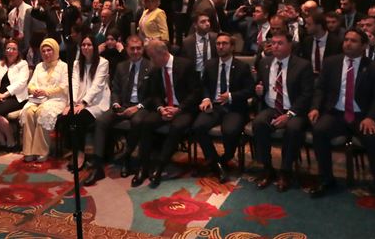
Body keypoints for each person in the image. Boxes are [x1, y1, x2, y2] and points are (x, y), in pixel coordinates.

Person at [307, 30, 375, 208]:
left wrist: (371, 117)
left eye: (353, 41)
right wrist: (315, 107)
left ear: (363, 45)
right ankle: (327, 179)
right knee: (319, 131)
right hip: (336, 113)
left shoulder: (374, 67)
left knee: (374, 140)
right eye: (346, 39)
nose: (347, 43)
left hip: (361, 116)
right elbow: (320, 88)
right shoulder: (331, 63)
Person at [131, 39, 198, 189]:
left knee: (177, 127)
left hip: (184, 109)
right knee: (146, 123)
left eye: (152, 57)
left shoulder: (185, 65)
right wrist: (161, 108)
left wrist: (179, 109)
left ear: (162, 54)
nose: (151, 61)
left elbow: (195, 93)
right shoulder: (156, 69)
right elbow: (154, 94)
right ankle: (144, 166)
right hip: (165, 107)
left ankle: (160, 167)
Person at [252, 31, 313, 192]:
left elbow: (306, 95)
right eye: (273, 43)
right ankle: (267, 168)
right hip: (272, 107)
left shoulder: (302, 65)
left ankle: (285, 171)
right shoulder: (264, 62)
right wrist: (259, 91)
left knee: (293, 128)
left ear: (290, 45)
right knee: (258, 123)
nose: (275, 46)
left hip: (294, 110)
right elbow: (259, 86)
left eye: (280, 43)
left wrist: (289, 114)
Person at [84, 35, 150, 185]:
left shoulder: (150, 66)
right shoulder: (121, 66)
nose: (135, 52)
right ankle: (98, 166)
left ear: (143, 49)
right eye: (132, 49)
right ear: (126, 49)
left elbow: (153, 95)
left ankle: (127, 158)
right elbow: (115, 90)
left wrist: (138, 107)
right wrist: (115, 104)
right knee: (101, 121)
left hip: (141, 107)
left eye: (138, 48)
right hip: (122, 105)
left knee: (137, 121)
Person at [191, 33, 254, 182]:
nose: (220, 46)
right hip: (214, 106)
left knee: (230, 130)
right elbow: (204, 86)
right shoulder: (210, 64)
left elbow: (250, 90)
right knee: (198, 126)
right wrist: (206, 98)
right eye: (218, 44)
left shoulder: (242, 67)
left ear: (232, 47)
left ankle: (225, 158)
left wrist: (231, 96)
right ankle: (215, 162)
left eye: (224, 43)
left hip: (234, 107)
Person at [57, 35, 111, 172]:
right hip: (79, 101)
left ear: (95, 47)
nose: (86, 47)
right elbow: (74, 84)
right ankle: (74, 149)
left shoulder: (103, 63)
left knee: (79, 118)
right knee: (65, 117)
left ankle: (80, 153)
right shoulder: (77, 63)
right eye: (83, 45)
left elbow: (97, 86)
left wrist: (84, 103)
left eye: (89, 45)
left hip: (97, 102)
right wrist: (72, 103)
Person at [21, 38, 69, 162]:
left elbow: (64, 87)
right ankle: (29, 150)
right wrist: (34, 90)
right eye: (43, 51)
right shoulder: (39, 66)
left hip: (56, 99)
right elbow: (31, 84)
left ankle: (41, 150)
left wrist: (46, 92)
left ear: (55, 50)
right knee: (28, 112)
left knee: (42, 112)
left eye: (49, 50)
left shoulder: (63, 66)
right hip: (38, 99)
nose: (46, 53)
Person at [0, 40, 30, 151]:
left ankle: (11, 140)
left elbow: (21, 83)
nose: (10, 51)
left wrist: (4, 95)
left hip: (16, 97)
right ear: (4, 51)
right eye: (8, 48)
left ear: (18, 51)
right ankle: (2, 139)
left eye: (13, 49)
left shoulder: (23, 64)